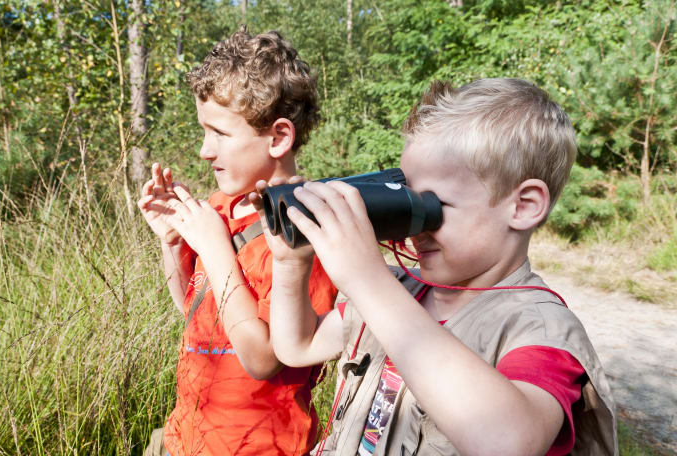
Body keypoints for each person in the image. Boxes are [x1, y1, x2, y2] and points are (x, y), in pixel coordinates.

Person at [254, 79, 617, 455]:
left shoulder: (540, 328)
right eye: (407, 199)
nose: (415, 226)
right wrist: (290, 263)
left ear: (523, 206)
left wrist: (368, 281)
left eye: (430, 206)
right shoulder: (402, 290)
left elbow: (508, 442)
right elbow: (297, 346)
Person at [138, 28, 337, 456]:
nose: (204, 151)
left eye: (220, 134)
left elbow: (263, 359)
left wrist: (213, 248)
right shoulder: (223, 208)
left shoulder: (306, 232)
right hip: (185, 436)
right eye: (203, 131)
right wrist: (173, 244)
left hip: (257, 446)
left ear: (279, 137)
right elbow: (196, 312)